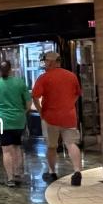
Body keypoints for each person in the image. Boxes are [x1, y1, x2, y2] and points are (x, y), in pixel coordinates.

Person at [31, 49, 84, 185]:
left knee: (52, 146)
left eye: (46, 61)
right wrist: (69, 104)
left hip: (50, 117)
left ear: (51, 62)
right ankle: (77, 171)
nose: (45, 63)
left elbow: (35, 97)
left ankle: (51, 172)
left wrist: (41, 111)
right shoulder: (71, 76)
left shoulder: (44, 78)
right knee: (71, 144)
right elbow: (77, 94)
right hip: (69, 116)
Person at [0, 59, 32, 188]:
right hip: (18, 120)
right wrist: (22, 112)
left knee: (6, 150)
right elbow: (28, 103)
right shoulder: (20, 83)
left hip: (2, 121)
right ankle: (17, 173)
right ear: (10, 70)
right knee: (17, 146)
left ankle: (10, 178)